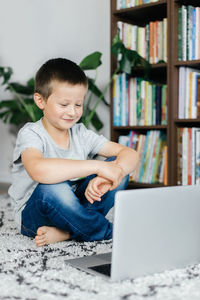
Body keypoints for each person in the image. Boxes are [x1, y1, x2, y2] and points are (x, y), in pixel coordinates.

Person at [8, 58, 139, 247]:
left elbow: (130, 154)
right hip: (34, 216)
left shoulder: (81, 133)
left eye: (78, 105)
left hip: (73, 209)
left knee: (118, 172)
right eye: (64, 105)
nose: (72, 112)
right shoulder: (31, 133)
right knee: (53, 187)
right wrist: (98, 166)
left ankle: (68, 232)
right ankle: (108, 231)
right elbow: (38, 169)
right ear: (40, 100)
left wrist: (111, 172)